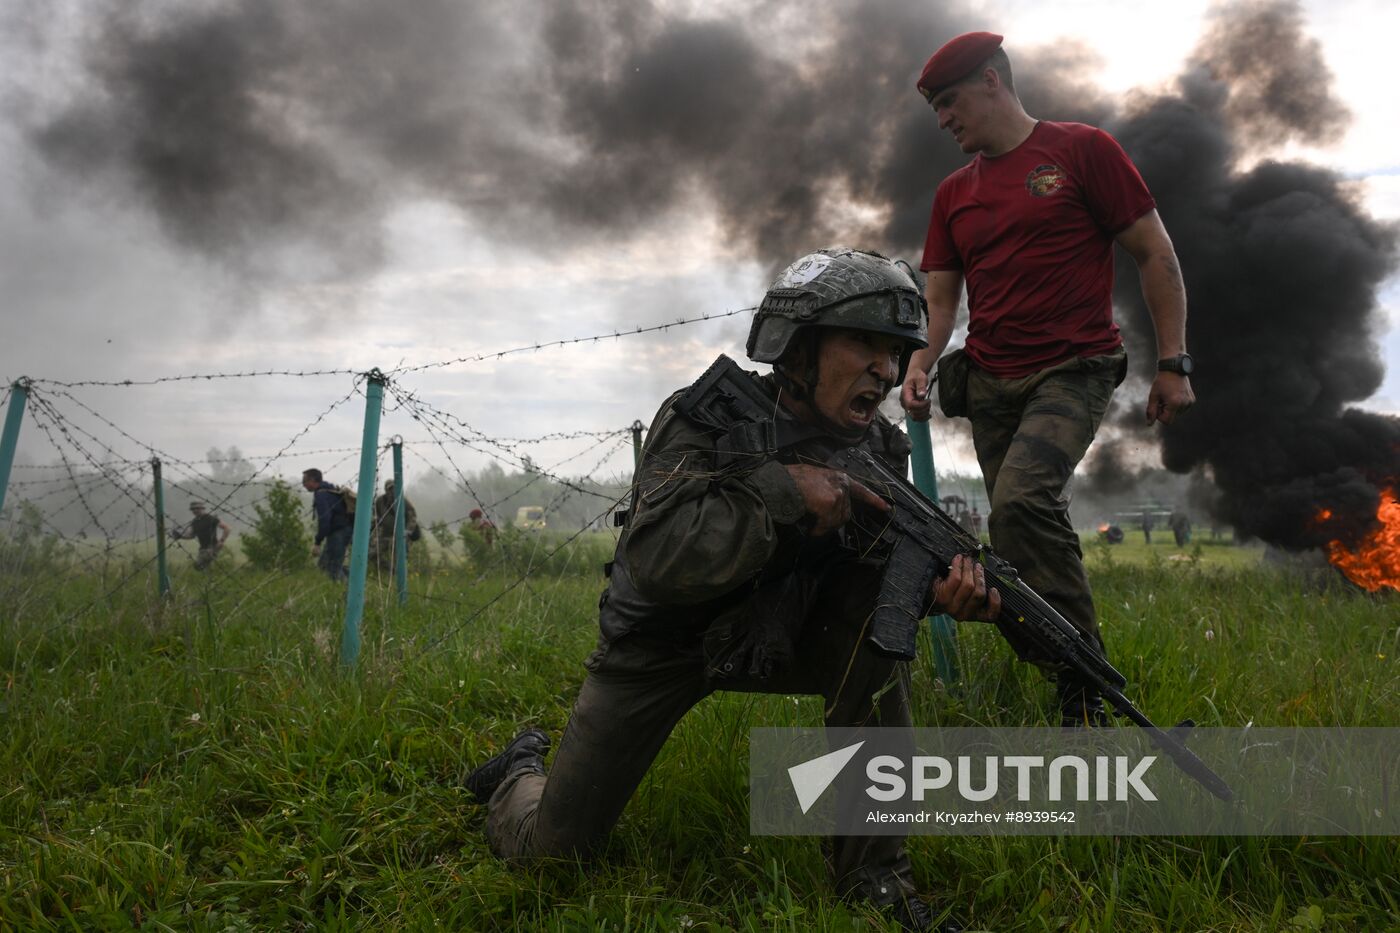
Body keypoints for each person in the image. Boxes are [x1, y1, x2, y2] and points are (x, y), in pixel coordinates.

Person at [466, 248, 998, 932]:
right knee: (553, 854)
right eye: (864, 342)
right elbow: (658, 556)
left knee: (874, 619)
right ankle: (519, 768)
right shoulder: (707, 419)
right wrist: (783, 492)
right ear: (798, 347)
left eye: (896, 352)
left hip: (778, 633)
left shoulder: (879, 452)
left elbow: (871, 569)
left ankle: (875, 878)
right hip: (660, 645)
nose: (887, 370)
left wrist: (939, 591)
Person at [900, 32, 1195, 726]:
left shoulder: (1081, 150)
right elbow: (941, 301)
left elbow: (1156, 254)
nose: (943, 119)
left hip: (1074, 367)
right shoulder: (953, 195)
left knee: (1023, 503)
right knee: (1011, 540)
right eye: (935, 109)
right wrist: (919, 358)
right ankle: (1073, 681)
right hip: (992, 380)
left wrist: (1174, 361)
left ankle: (1087, 679)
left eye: (949, 101)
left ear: (993, 81)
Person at [301, 468, 353, 582]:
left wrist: (317, 542)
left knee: (333, 567)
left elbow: (325, 519)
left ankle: (351, 592)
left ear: (313, 480)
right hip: (343, 530)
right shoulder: (330, 490)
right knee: (324, 564)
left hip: (339, 532)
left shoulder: (322, 495)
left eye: (305, 481)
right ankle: (354, 582)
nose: (303, 485)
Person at [370, 479, 421, 573]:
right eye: (390, 489)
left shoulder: (404, 501)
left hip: (401, 535)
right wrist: (371, 530)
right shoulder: (380, 502)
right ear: (386, 490)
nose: (392, 491)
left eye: (394, 488)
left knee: (400, 557)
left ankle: (398, 575)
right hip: (385, 534)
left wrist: (407, 532)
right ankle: (390, 569)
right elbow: (377, 517)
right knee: (372, 554)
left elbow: (412, 517)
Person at [170, 501, 229, 570]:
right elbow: (191, 535)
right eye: (193, 509)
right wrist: (180, 536)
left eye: (197, 508)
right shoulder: (195, 521)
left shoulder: (210, 518)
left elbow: (227, 528)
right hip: (202, 549)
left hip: (212, 547)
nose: (195, 510)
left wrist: (221, 541)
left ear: (202, 508)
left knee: (199, 566)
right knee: (202, 568)